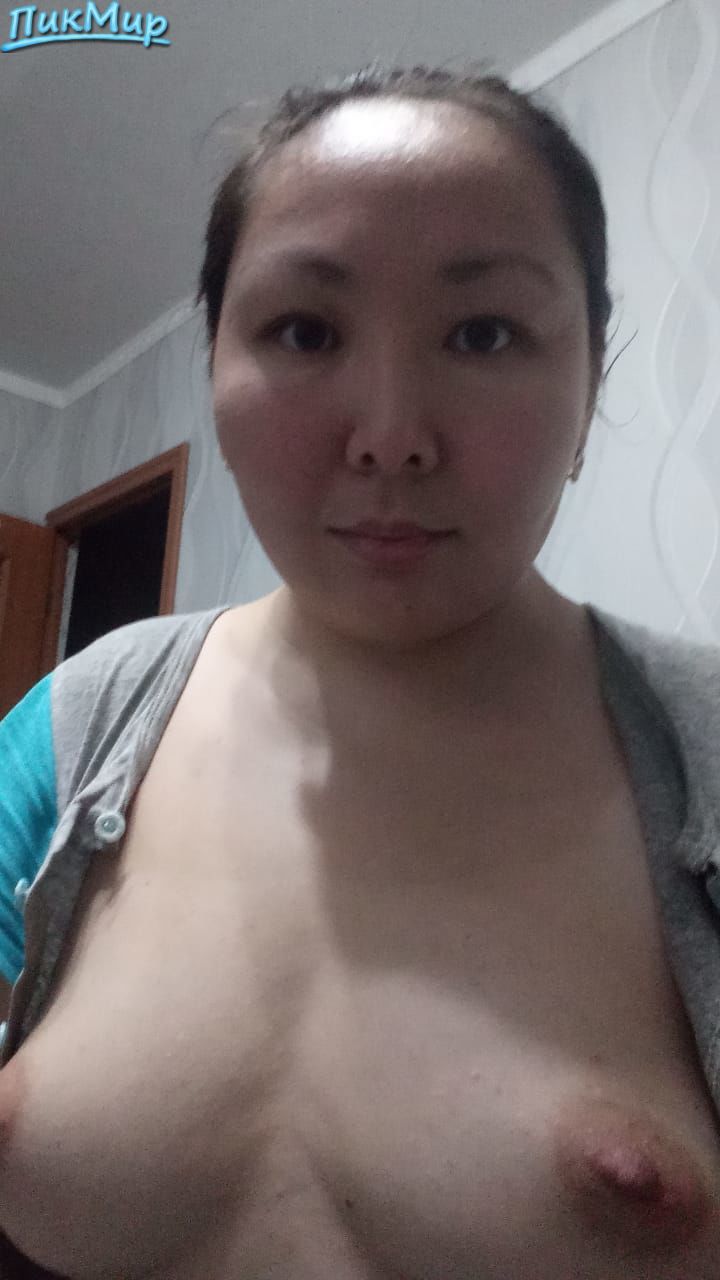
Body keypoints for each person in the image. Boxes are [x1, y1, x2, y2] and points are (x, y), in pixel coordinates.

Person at [1, 60, 720, 1280]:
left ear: (591, 377)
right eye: (305, 330)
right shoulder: (81, 723)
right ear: (217, 364)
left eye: (483, 332)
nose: (391, 435)